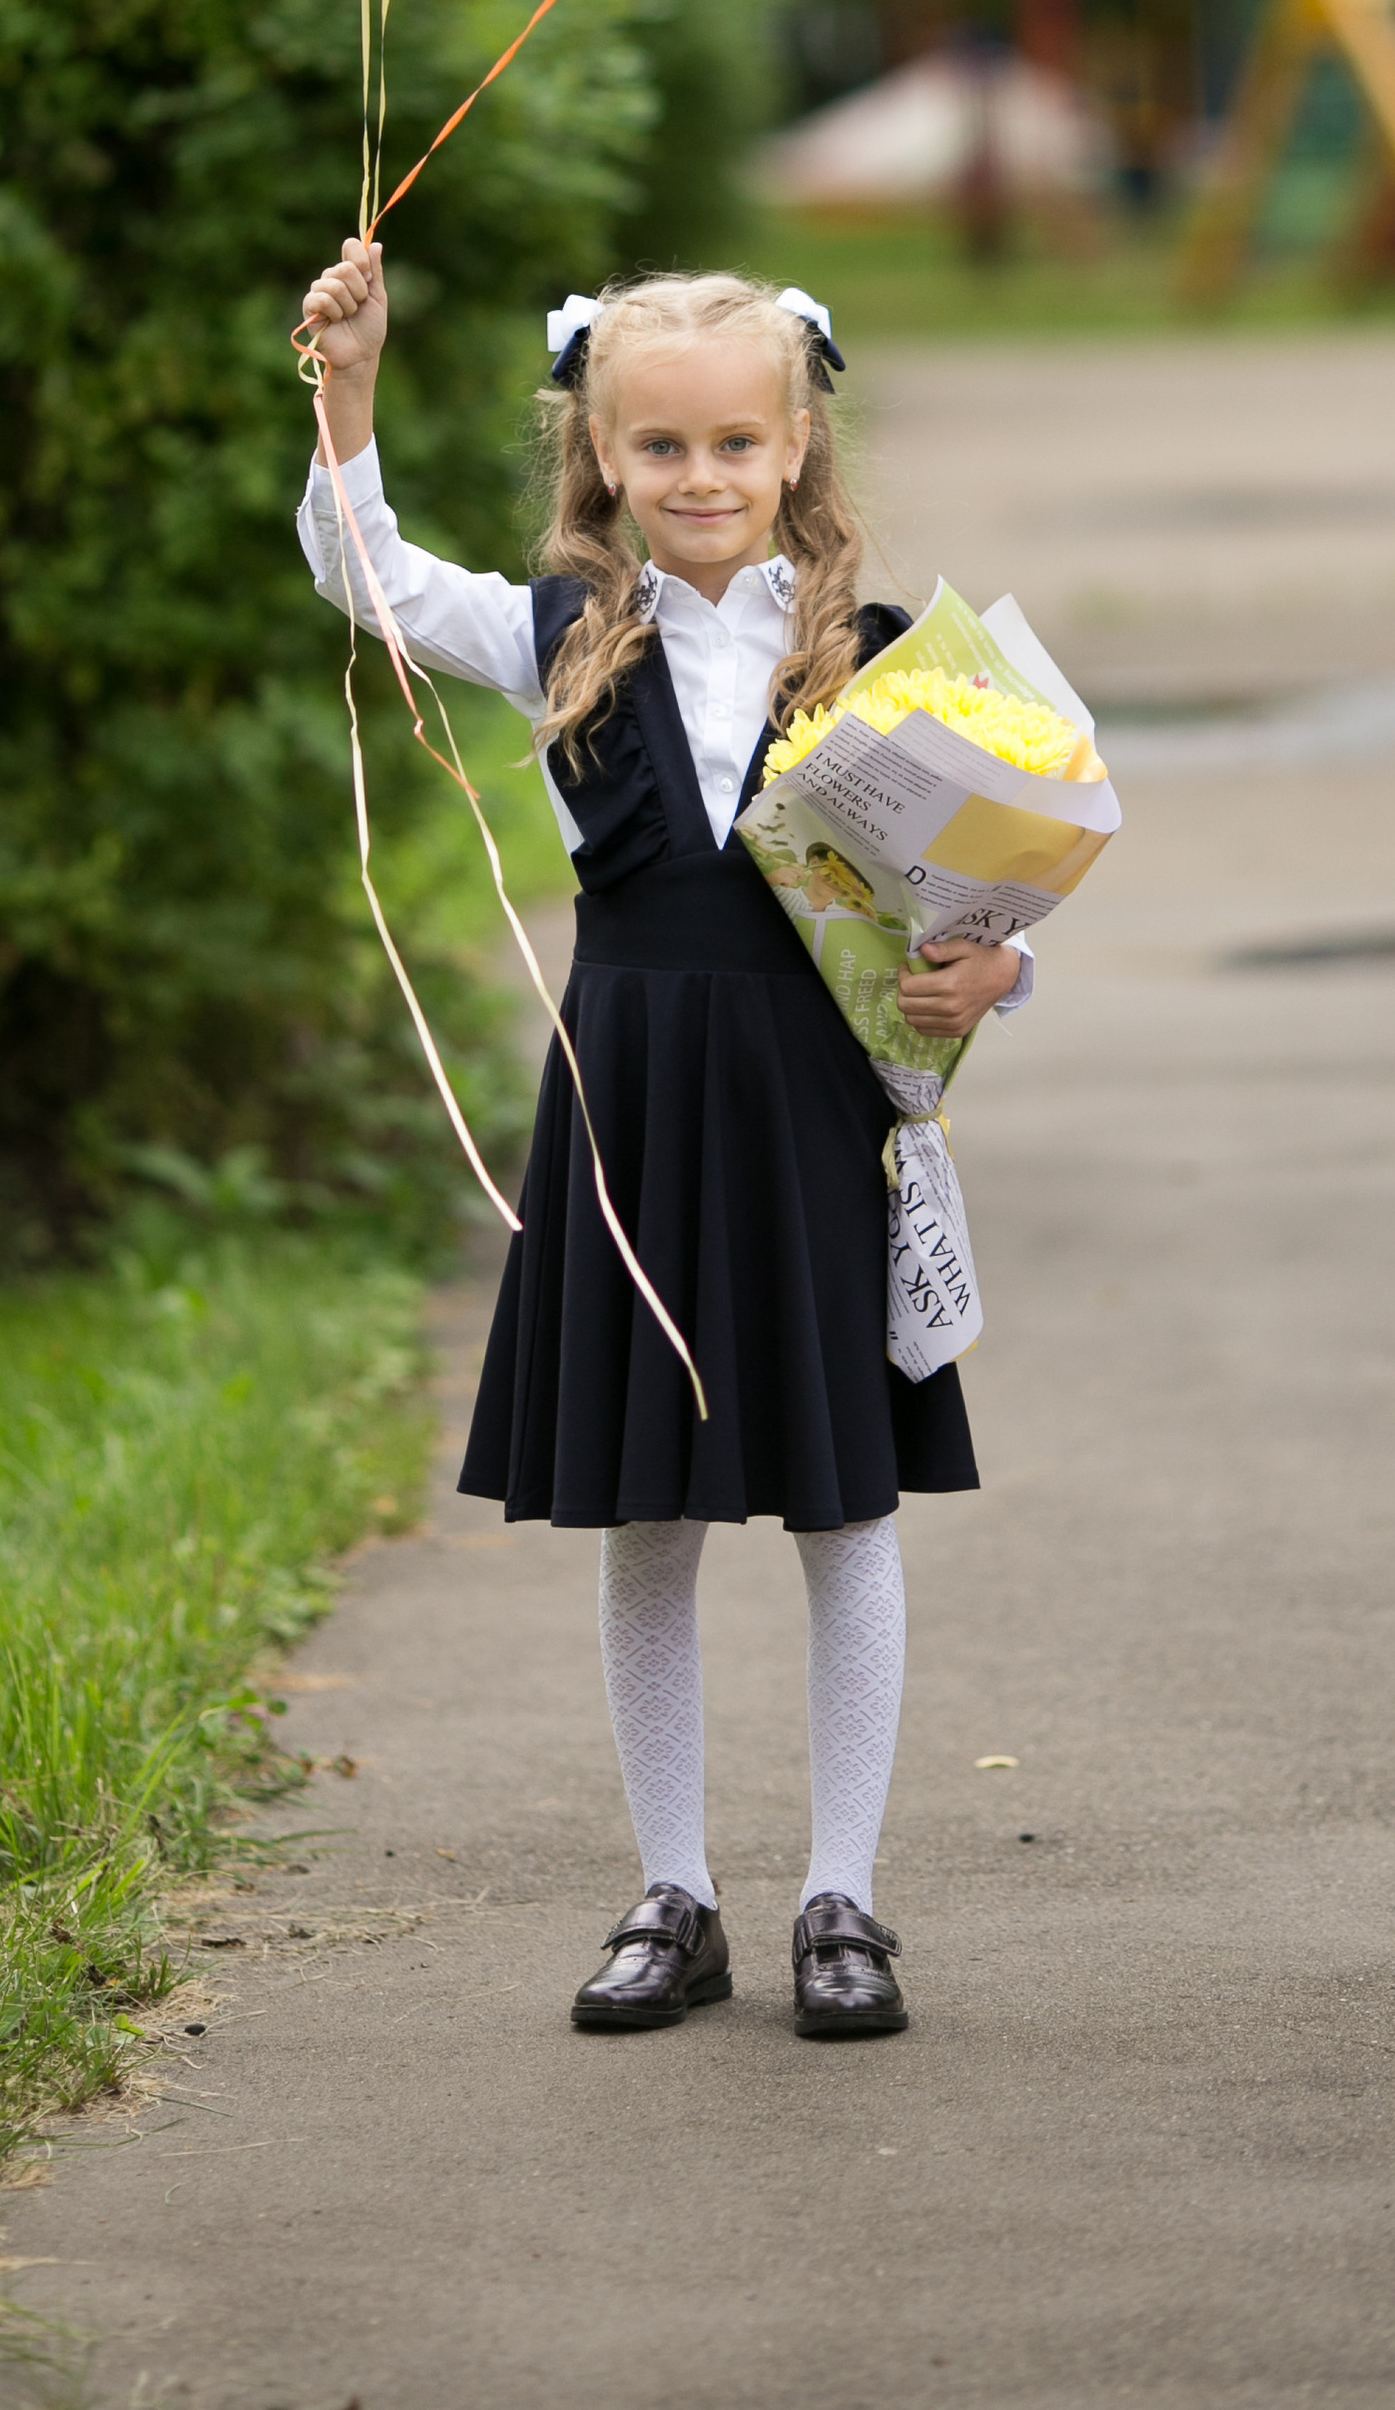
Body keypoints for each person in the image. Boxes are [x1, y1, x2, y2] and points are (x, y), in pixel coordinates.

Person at [294, 240, 1034, 2042]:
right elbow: (366, 577)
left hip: (811, 1115)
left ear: (797, 452)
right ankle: (676, 1894)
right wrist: (347, 393)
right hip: (630, 1116)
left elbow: (1008, 880)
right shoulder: (557, 637)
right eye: (660, 453)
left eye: (734, 447)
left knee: (843, 1505)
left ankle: (841, 1897)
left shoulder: (886, 658)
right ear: (601, 463)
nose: (700, 482)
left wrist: (994, 974)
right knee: (650, 1510)